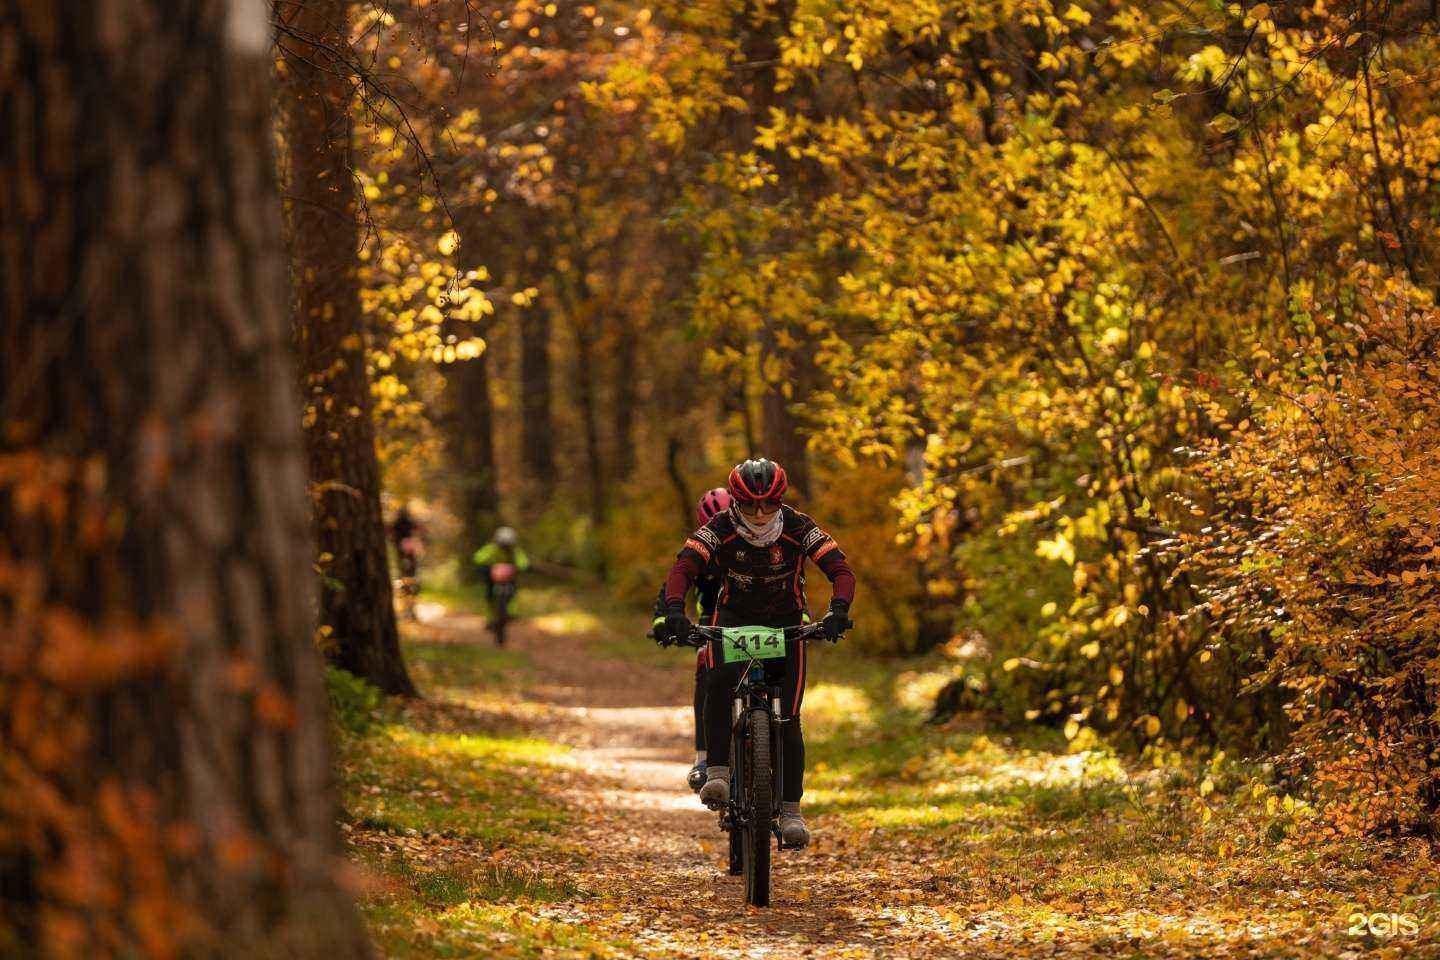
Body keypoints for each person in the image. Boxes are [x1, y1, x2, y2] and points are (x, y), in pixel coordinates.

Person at [662, 458, 855, 848]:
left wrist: (837, 610)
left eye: (768, 504)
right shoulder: (719, 529)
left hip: (787, 622)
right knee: (716, 681)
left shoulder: (800, 527)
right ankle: (717, 770)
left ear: (780, 500)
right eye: (750, 505)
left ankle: (790, 811)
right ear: (736, 502)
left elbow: (840, 570)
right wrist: (673, 611)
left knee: (790, 717)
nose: (760, 514)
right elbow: (684, 567)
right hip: (733, 619)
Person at [652, 488, 731, 792]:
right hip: (710, 627)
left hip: (752, 626)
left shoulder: (756, 549)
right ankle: (704, 757)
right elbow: (674, 585)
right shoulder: (698, 553)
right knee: (705, 673)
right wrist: (664, 620)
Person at [472, 526, 530, 616]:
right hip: (493, 575)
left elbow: (523, 562)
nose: (505, 546)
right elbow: (478, 558)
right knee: (489, 593)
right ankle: (491, 616)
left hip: (509, 576)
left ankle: (510, 611)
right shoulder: (491, 549)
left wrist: (520, 567)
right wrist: (488, 567)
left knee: (513, 591)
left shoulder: (515, 551)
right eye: (503, 544)